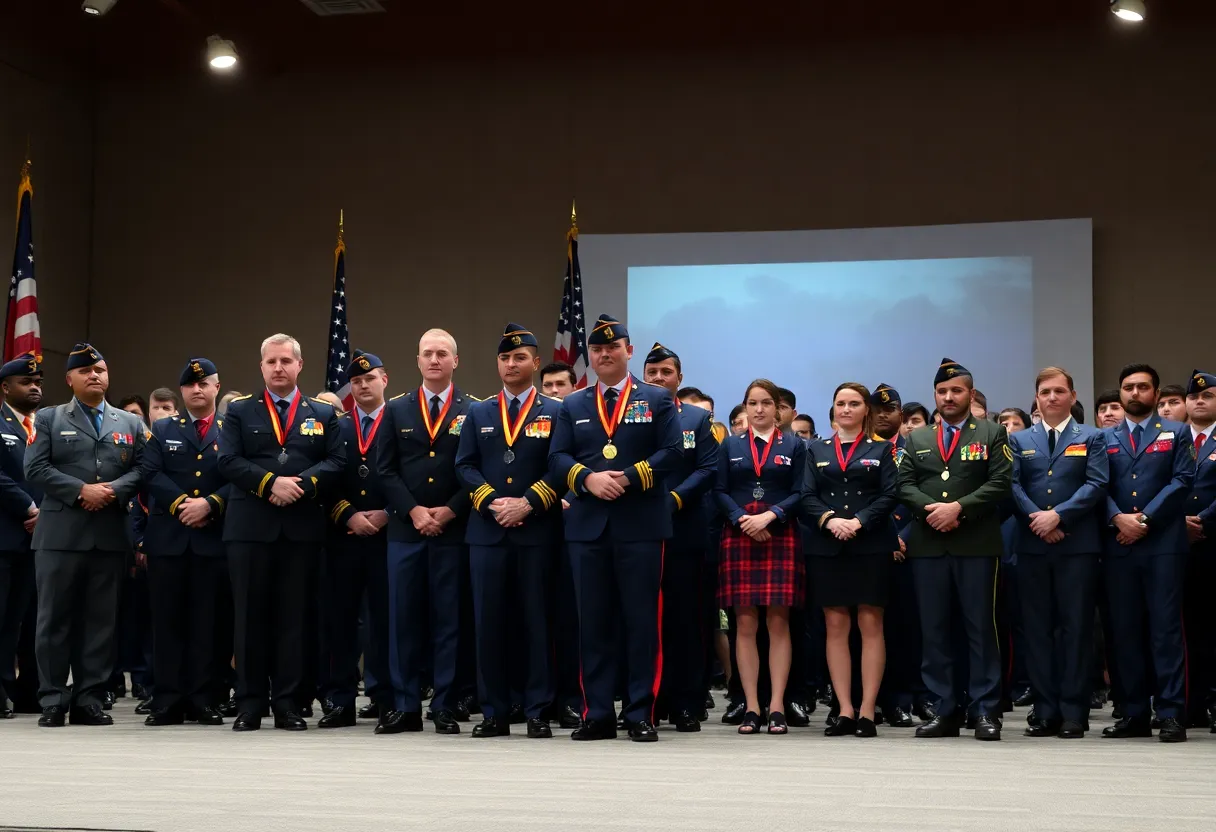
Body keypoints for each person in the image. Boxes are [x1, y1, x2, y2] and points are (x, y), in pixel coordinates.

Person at [549, 314, 682, 742]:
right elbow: (557, 458)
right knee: (594, 623)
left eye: (613, 347)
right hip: (588, 527)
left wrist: (627, 476)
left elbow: (673, 454)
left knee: (642, 621)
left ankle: (641, 712)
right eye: (597, 349)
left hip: (640, 524)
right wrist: (588, 479)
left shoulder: (657, 400)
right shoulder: (573, 404)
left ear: (629, 350)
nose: (604, 354)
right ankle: (599, 713)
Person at [217, 334, 344, 731]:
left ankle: (289, 702)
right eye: (271, 361)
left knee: (295, 619)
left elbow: (338, 461)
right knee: (249, 618)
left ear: (299, 365)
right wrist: (270, 482)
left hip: (301, 530)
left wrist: (300, 485)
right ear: (261, 367)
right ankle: (251, 702)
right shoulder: (239, 412)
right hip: (250, 528)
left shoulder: (323, 414)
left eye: (286, 361)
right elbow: (228, 460)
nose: (278, 368)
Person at [24, 344, 147, 727]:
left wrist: (114, 489)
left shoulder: (128, 423)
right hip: (60, 536)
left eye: (101, 370)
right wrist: (81, 491)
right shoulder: (48, 418)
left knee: (100, 622)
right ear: (70, 379)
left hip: (108, 536)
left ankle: (90, 698)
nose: (95, 375)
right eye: (85, 371)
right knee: (54, 620)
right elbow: (35, 468)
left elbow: (144, 468)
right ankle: (53, 698)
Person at [454, 325, 564, 738]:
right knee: (489, 624)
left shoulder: (556, 411)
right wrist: (489, 500)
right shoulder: (479, 412)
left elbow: (562, 465)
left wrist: (529, 503)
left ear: (535, 363)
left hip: (537, 531)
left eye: (520, 358)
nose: (511, 364)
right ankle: (494, 712)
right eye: (505, 358)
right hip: (487, 532)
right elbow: (464, 465)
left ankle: (537, 710)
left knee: (537, 622)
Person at [897, 358, 1012, 741]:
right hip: (928, 545)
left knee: (981, 629)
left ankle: (984, 710)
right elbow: (904, 484)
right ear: (935, 395)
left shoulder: (993, 433)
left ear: (970, 394)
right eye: (943, 392)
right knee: (935, 631)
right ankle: (943, 709)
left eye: (956, 390)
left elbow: (1000, 483)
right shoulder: (917, 439)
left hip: (976, 543)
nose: (949, 397)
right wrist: (933, 510)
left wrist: (958, 508)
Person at [377, 328, 474, 735]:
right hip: (406, 530)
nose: (434, 360)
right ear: (417, 361)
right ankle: (405, 706)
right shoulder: (396, 409)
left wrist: (450, 511)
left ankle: (445, 705)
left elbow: (475, 469)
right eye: (427, 353)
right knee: (404, 620)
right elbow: (384, 469)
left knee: (449, 620)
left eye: (442, 354)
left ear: (456, 361)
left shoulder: (475, 409)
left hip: (452, 530)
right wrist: (414, 510)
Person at [1008, 367, 1108, 738]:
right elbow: (1013, 485)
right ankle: (1045, 710)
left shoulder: (1092, 437)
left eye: (1059, 391)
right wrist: (1039, 518)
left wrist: (1058, 518)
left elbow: (1096, 483)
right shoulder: (1019, 440)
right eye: (1045, 392)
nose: (1052, 397)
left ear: (1072, 395)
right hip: (1033, 546)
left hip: (1076, 545)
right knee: (1037, 630)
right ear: (1036, 398)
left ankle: (1073, 712)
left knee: (1076, 629)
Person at [1101, 363, 1193, 742]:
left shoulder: (1176, 431)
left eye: (1142, 387)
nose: (1134, 393)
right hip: (1118, 546)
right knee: (1124, 632)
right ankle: (1133, 712)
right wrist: (1117, 518)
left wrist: (1145, 519)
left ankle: (1171, 713)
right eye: (1128, 387)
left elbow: (1183, 480)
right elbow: (1095, 485)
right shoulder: (1102, 438)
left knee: (1165, 630)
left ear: (1155, 394)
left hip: (1162, 547)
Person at [801, 382, 897, 737]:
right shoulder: (816, 449)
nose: (846, 409)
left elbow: (890, 494)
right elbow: (806, 495)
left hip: (869, 543)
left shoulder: (882, 449)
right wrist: (830, 520)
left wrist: (859, 521)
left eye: (853, 403)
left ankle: (869, 710)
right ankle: (844, 709)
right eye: (840, 403)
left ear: (865, 410)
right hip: (828, 545)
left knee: (871, 624)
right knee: (835, 626)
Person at [138, 358, 229, 726]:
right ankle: (167, 699)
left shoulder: (229, 429)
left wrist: (210, 504)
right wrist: (181, 505)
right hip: (169, 539)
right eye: (190, 385)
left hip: (212, 537)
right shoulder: (162, 429)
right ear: (181, 391)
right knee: (167, 622)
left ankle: (204, 699)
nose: (197, 389)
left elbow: (237, 474)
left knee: (209, 623)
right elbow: (149, 473)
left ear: (216, 388)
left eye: (204, 383)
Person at [716, 378, 806, 735]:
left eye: (766, 403)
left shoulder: (796, 445)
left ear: (778, 409)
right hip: (739, 534)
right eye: (752, 403)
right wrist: (742, 519)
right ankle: (751, 706)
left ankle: (777, 706)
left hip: (779, 532)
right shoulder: (729, 445)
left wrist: (771, 516)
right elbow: (719, 490)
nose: (759, 409)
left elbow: (802, 491)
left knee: (779, 623)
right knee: (745, 623)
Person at [642, 343, 718, 732]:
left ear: (679, 378)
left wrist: (672, 499)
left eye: (665, 373)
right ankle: (648, 703)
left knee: (685, 622)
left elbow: (707, 470)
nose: (658, 379)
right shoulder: (632, 416)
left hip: (683, 531)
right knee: (644, 622)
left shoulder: (695, 419)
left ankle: (687, 703)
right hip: (638, 532)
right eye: (651, 373)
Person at [318, 350, 392, 728]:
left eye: (370, 379)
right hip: (344, 536)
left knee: (385, 620)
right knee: (341, 620)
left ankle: (383, 696)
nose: (363, 386)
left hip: (387, 536)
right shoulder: (338, 426)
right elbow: (325, 481)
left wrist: (387, 515)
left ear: (385, 380)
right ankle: (340, 699)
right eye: (357, 381)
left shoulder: (400, 420)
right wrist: (348, 514)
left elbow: (409, 476)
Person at [0, 354, 42, 719]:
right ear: (5, 387)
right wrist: (29, 508)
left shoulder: (43, 426)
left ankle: (29, 691)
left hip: (40, 538)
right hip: (6, 535)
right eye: (26, 382)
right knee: (2, 617)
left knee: (32, 618)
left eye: (38, 382)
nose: (34, 387)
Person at [1183, 370, 1216, 730]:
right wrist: (1180, 524)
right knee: (1189, 629)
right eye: (1194, 397)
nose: (1199, 400)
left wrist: (1202, 521)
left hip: (1213, 541)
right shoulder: (1175, 438)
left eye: (1208, 396)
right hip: (1178, 545)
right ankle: (1191, 704)